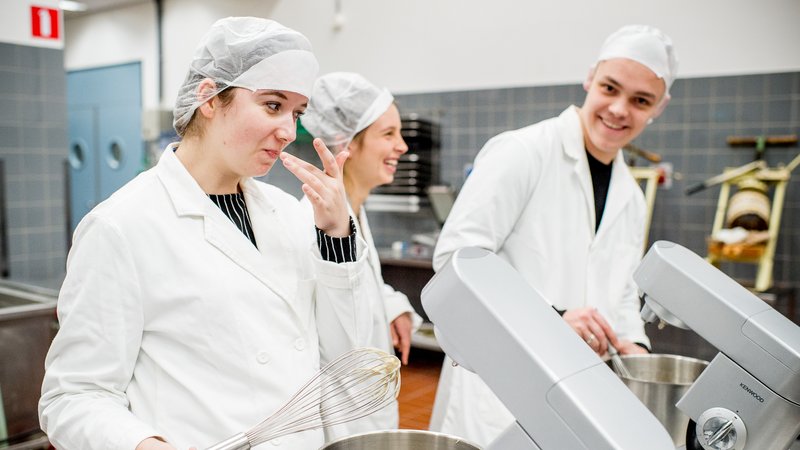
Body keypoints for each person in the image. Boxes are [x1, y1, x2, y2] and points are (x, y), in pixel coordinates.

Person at [39, 17, 377, 450]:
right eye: (273, 105)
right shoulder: (122, 225)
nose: (289, 131)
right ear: (209, 98)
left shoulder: (289, 215)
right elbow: (74, 396)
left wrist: (335, 235)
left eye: (297, 113)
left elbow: (343, 351)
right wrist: (142, 445)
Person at [427, 25, 678, 446]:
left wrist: (635, 345)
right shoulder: (522, 152)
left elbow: (620, 293)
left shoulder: (630, 197)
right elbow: (455, 264)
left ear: (659, 108)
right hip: (497, 387)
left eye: (640, 101)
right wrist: (554, 317)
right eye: (609, 88)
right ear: (589, 78)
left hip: (577, 391)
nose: (619, 109)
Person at [300, 72, 423, 441]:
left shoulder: (355, 211)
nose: (402, 146)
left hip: (368, 412)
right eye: (388, 135)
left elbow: (359, 283)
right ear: (346, 144)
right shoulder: (314, 223)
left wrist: (392, 304)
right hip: (338, 423)